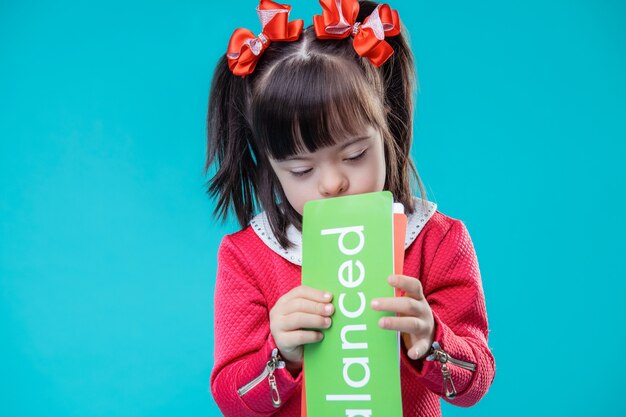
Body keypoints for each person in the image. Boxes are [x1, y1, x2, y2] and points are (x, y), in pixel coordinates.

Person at [206, 1, 495, 416]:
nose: (332, 183)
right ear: (271, 166)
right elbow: (230, 401)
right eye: (301, 169)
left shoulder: (437, 239)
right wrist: (281, 353)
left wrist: (431, 339)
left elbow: (476, 382)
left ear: (386, 128)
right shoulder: (247, 257)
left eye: (355, 154)